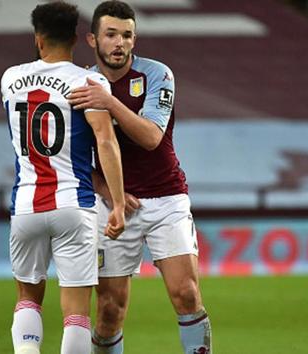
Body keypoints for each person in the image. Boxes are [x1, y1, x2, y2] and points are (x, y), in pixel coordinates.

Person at [68, 1, 213, 353]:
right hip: (114, 206)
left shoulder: (156, 74)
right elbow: (70, 157)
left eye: (127, 35)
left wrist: (109, 102)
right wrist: (105, 189)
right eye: (111, 34)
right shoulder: (78, 84)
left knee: (187, 293)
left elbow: (150, 138)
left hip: (167, 198)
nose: (119, 43)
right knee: (108, 311)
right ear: (92, 39)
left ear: (135, 39)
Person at [0, 2, 125, 354]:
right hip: (75, 205)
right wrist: (116, 204)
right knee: (76, 313)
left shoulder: (10, 78)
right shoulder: (90, 82)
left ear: (38, 39)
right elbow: (105, 141)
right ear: (75, 38)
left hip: (25, 204)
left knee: (27, 297)